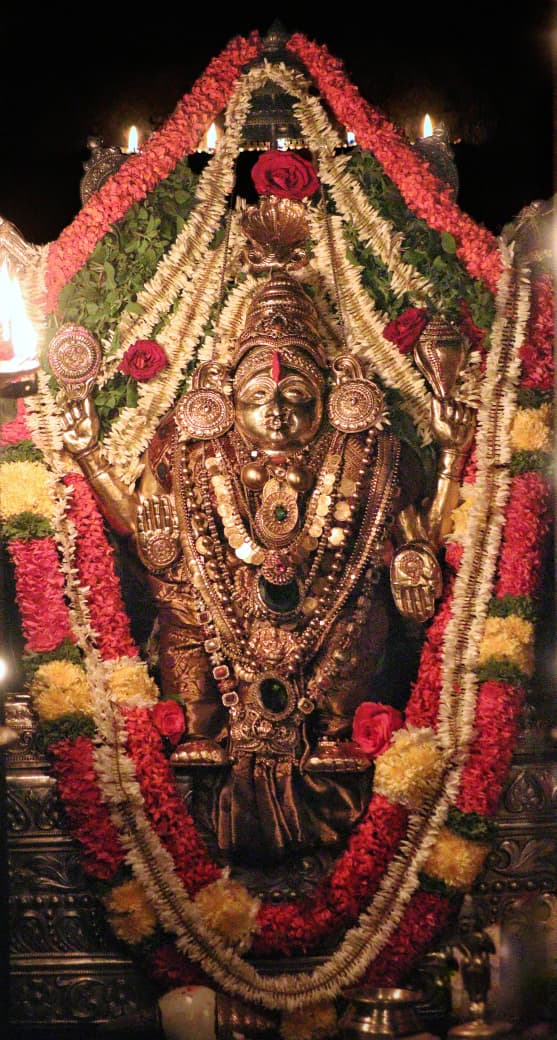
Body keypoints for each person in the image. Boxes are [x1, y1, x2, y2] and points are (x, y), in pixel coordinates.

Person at [61, 198, 474, 864]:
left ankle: (333, 732)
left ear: (331, 398)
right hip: (216, 631)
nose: (276, 413)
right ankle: (202, 729)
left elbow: (421, 531)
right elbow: (143, 526)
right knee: (183, 607)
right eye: (257, 397)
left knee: (359, 603)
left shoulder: (377, 456)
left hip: (331, 633)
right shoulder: (187, 452)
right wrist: (89, 455)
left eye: (295, 397)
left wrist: (444, 476)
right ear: (227, 400)